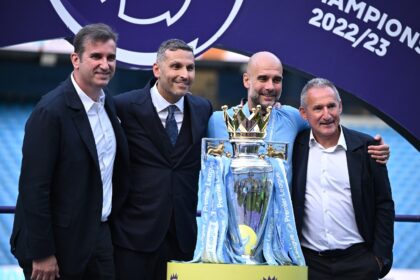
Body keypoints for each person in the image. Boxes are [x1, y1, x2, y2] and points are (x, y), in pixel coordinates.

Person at [10, 23, 130, 280]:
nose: (105, 64)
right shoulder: (50, 111)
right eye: (96, 56)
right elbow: (34, 188)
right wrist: (42, 253)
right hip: (57, 245)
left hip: (98, 238)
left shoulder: (107, 103)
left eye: (111, 57)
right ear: (75, 59)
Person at [111, 39, 213, 280]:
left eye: (190, 67)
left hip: (183, 240)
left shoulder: (203, 109)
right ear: (157, 69)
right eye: (176, 66)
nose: (184, 74)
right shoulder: (123, 106)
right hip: (132, 240)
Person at [207, 51, 390, 185]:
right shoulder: (218, 120)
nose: (270, 86)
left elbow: (329, 126)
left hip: (280, 228)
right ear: (247, 80)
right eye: (263, 78)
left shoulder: (293, 117)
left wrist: (369, 146)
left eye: (277, 80)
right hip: (235, 227)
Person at [292, 78, 394, 280]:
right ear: (304, 113)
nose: (326, 115)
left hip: (359, 263)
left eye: (331, 106)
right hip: (309, 264)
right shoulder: (295, 148)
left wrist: (379, 260)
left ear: (340, 107)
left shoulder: (368, 147)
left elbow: (384, 203)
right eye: (318, 108)